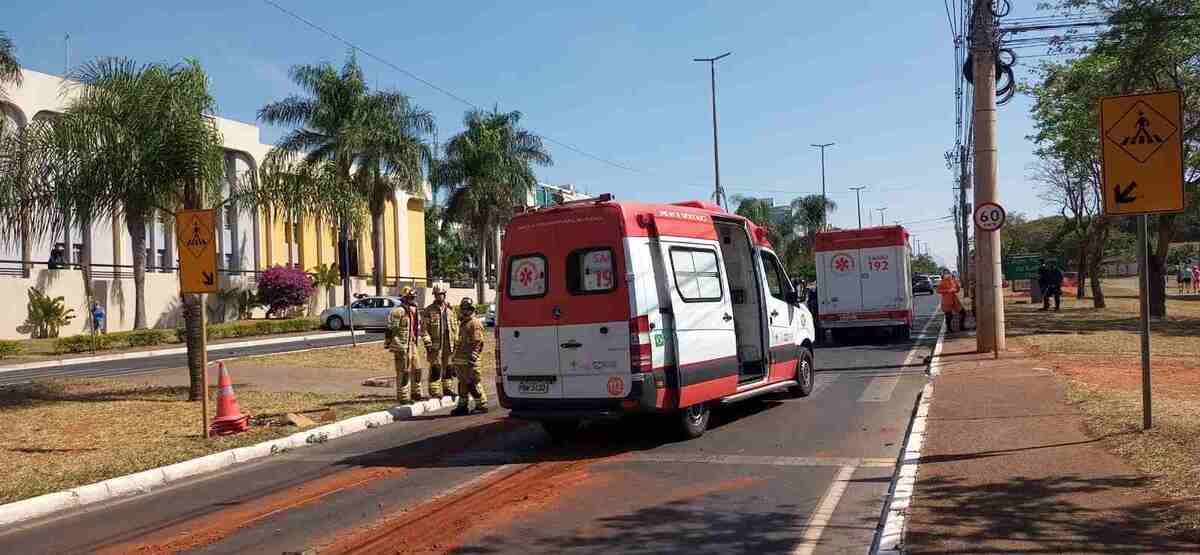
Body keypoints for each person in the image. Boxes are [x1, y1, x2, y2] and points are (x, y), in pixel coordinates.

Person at [450, 297, 488, 416]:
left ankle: (481, 405)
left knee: (473, 383)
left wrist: (473, 358)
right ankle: (462, 406)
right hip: (460, 361)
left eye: (468, 309)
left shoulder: (474, 323)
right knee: (462, 384)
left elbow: (478, 342)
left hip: (470, 361)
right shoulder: (463, 323)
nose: (466, 311)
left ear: (472, 309)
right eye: (464, 309)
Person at [385, 287, 422, 403]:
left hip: (412, 344)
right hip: (402, 345)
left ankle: (416, 393)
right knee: (403, 371)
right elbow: (391, 329)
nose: (413, 299)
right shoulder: (398, 311)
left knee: (417, 368)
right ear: (405, 298)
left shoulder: (415, 310)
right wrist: (393, 344)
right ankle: (404, 397)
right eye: (411, 297)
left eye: (414, 297)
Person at [421, 283, 457, 399]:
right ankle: (434, 391)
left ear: (444, 294)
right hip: (435, 345)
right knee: (436, 368)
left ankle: (448, 389)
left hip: (449, 344)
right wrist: (427, 343)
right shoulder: (428, 311)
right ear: (434, 295)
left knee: (449, 367)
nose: (439, 296)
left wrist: (456, 341)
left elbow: (455, 326)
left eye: (441, 294)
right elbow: (424, 330)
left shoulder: (451, 310)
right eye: (437, 294)